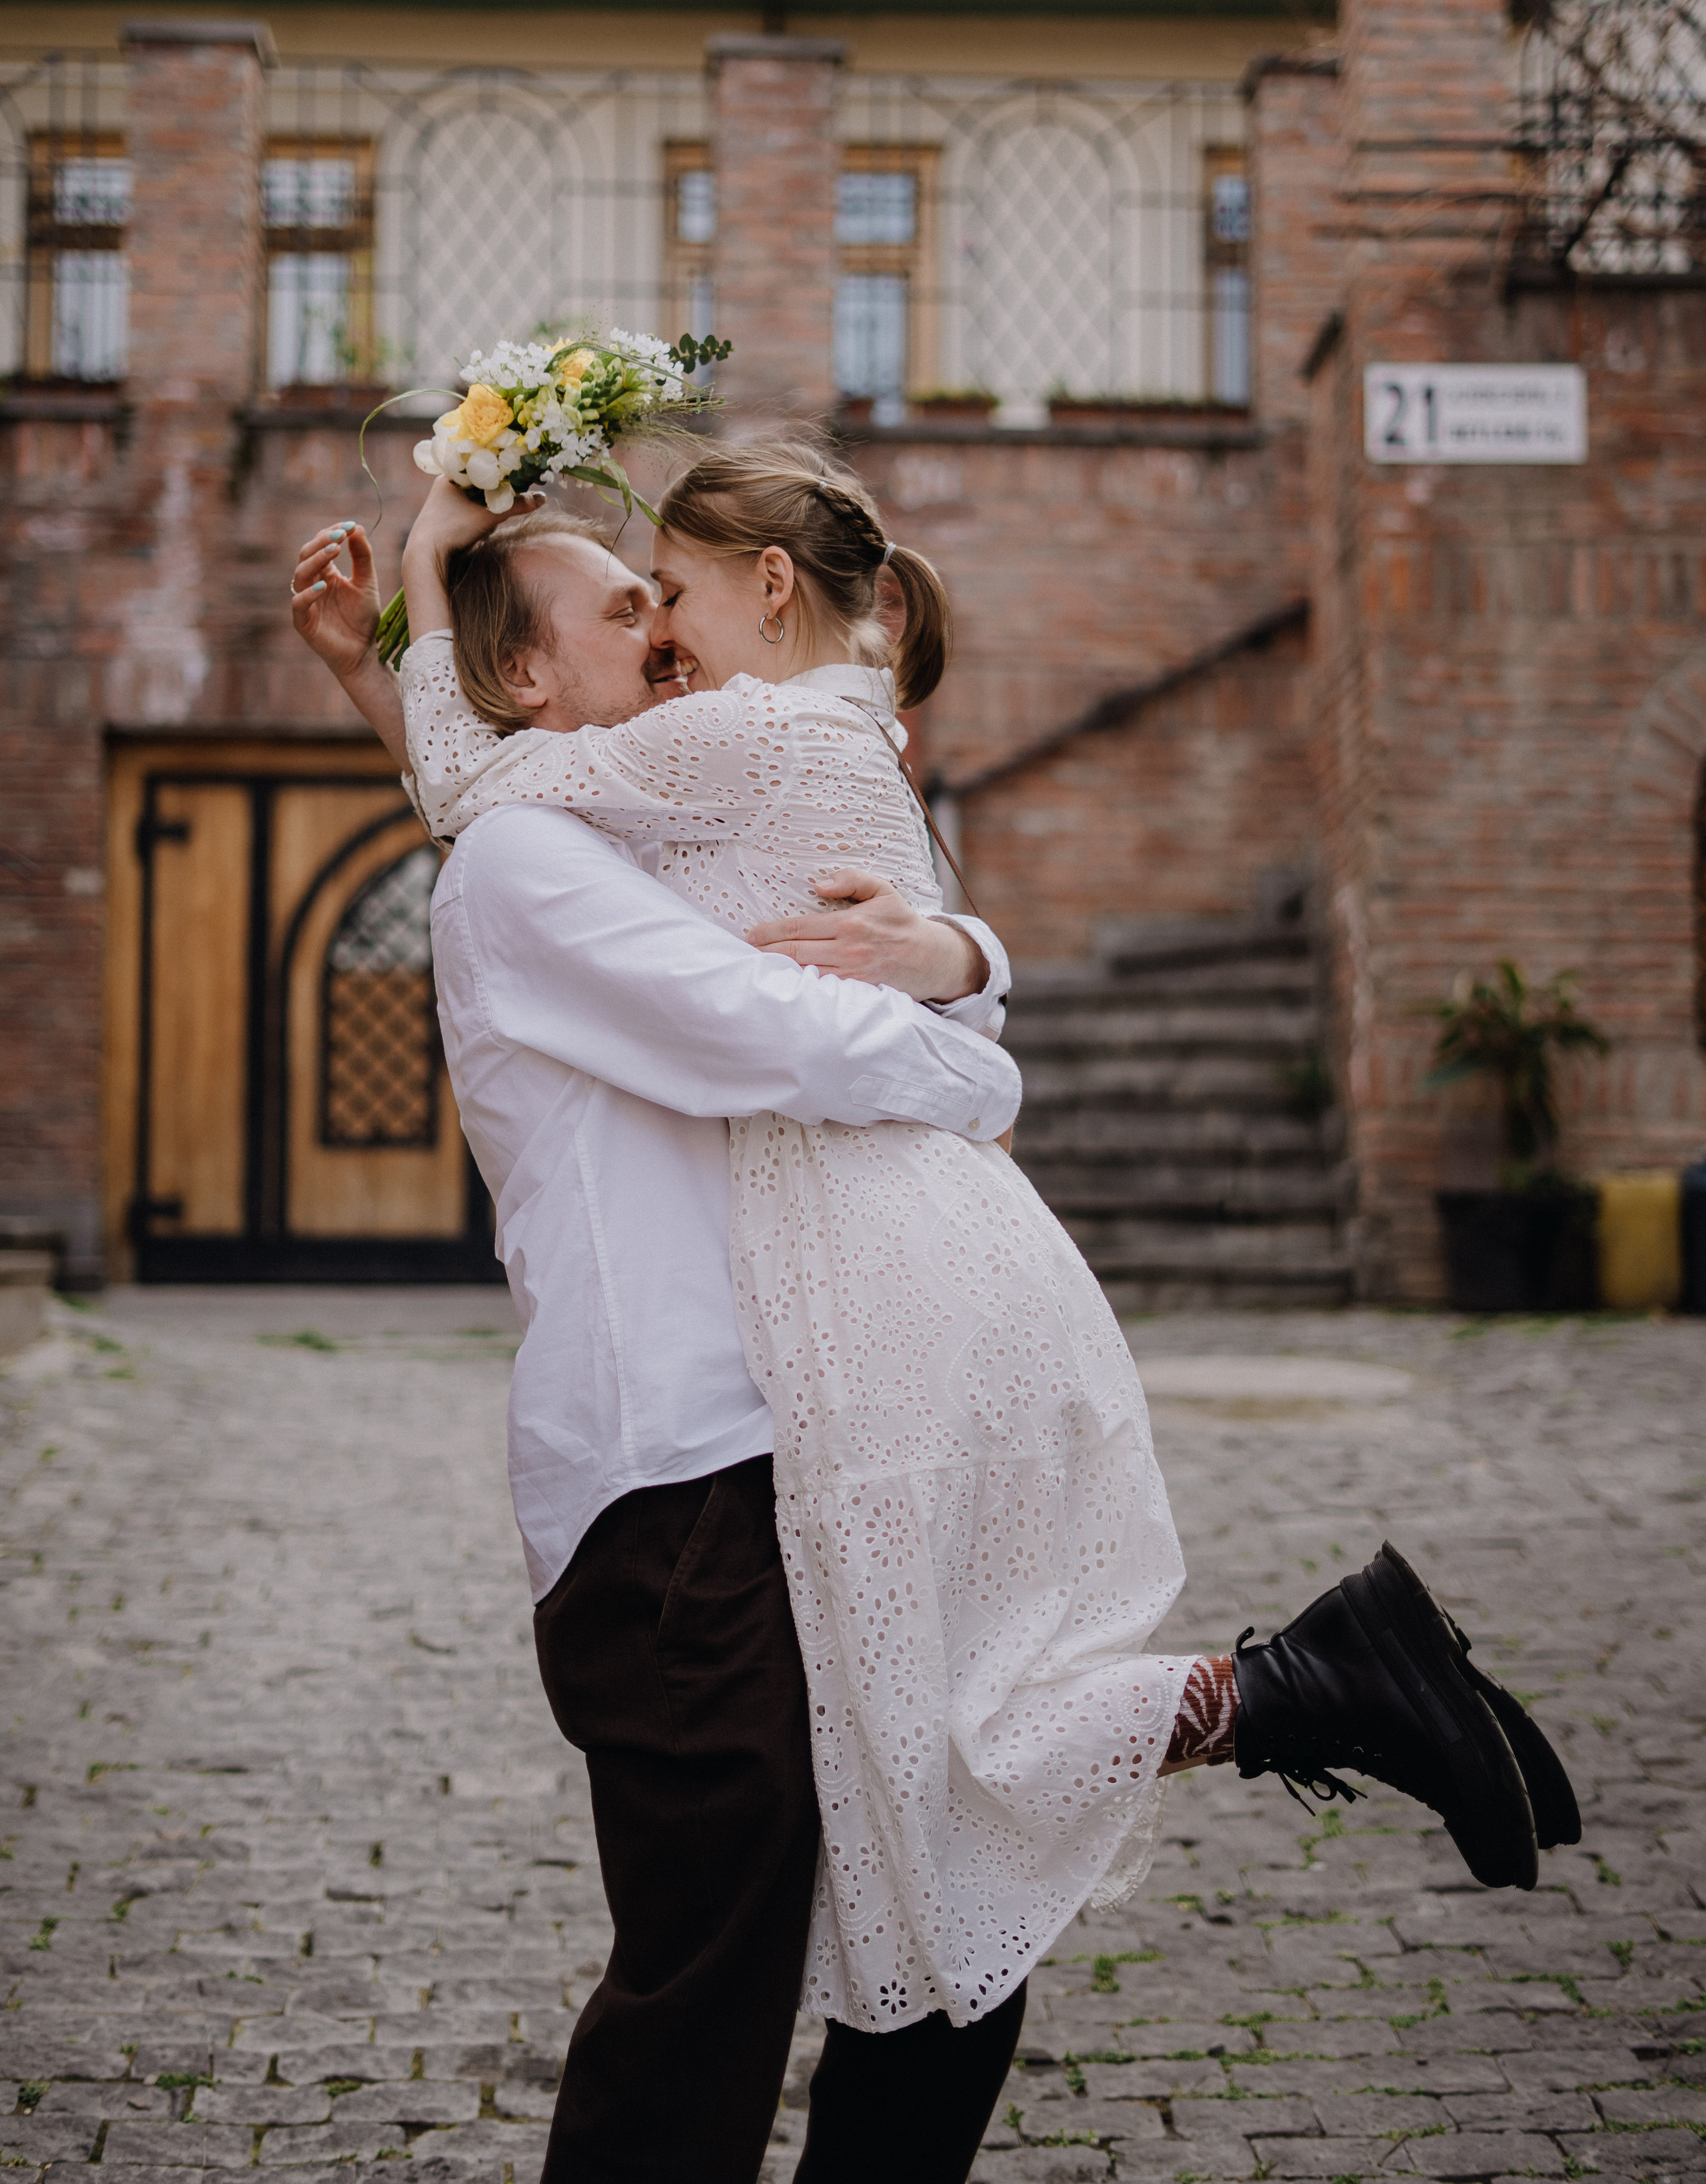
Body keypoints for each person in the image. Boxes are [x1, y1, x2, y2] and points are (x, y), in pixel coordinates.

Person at [292, 467, 1577, 2184]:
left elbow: (807, 895)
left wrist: (963, 951)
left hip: (806, 1416)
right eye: (623, 606)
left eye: (658, 589)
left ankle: (1308, 1686)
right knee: (745, 1953)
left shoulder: (618, 824)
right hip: (674, 1480)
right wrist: (975, 1056)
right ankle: (1292, 1689)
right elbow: (766, 1017)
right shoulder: (531, 864)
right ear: (530, 675)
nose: (656, 624)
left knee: (917, 1848)